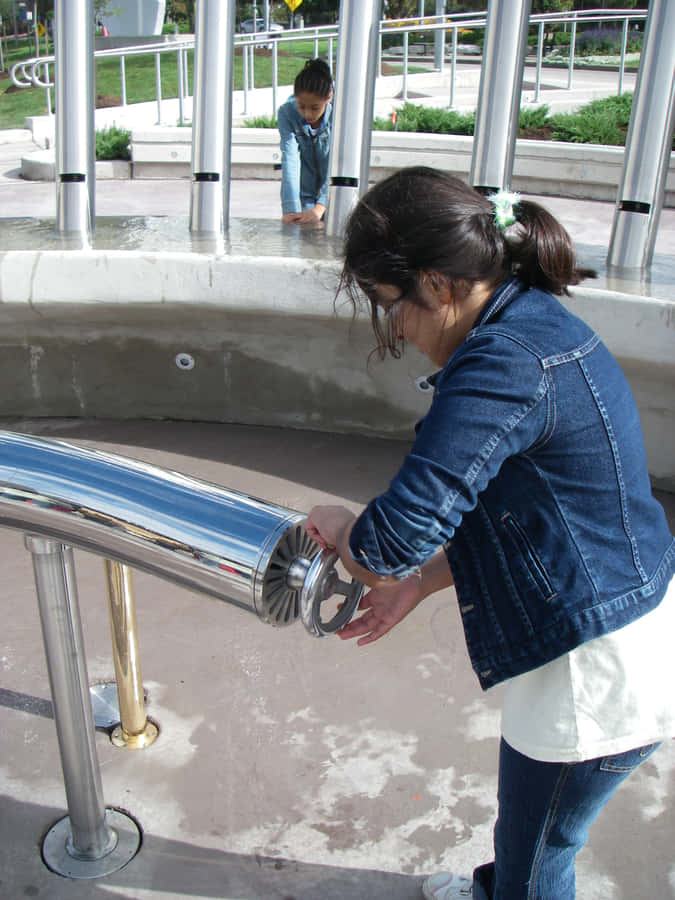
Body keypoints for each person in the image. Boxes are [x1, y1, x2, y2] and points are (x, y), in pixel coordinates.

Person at [304, 167, 675, 900]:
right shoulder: (531, 321)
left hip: (592, 674)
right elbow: (522, 512)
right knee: (530, 832)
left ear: (438, 284)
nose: (400, 332)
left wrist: (346, 529)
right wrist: (419, 585)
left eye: (392, 305)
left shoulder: (503, 364)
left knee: (539, 853)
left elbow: (385, 545)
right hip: (611, 623)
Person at [277, 58, 333, 225]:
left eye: (315, 107)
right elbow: (290, 159)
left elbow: (338, 161)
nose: (307, 114)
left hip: (335, 194)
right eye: (301, 106)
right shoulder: (287, 113)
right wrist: (291, 210)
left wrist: (321, 206)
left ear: (328, 97)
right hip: (303, 197)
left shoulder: (340, 112)